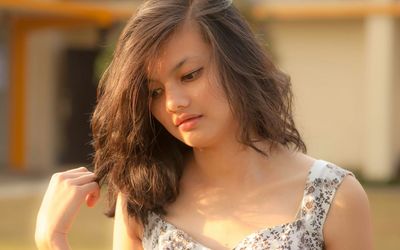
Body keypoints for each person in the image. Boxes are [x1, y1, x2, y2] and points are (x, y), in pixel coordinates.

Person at [34, 0, 374, 249]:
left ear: (236, 63)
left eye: (190, 75)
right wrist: (54, 239)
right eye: (154, 91)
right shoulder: (143, 200)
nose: (172, 102)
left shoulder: (333, 198)